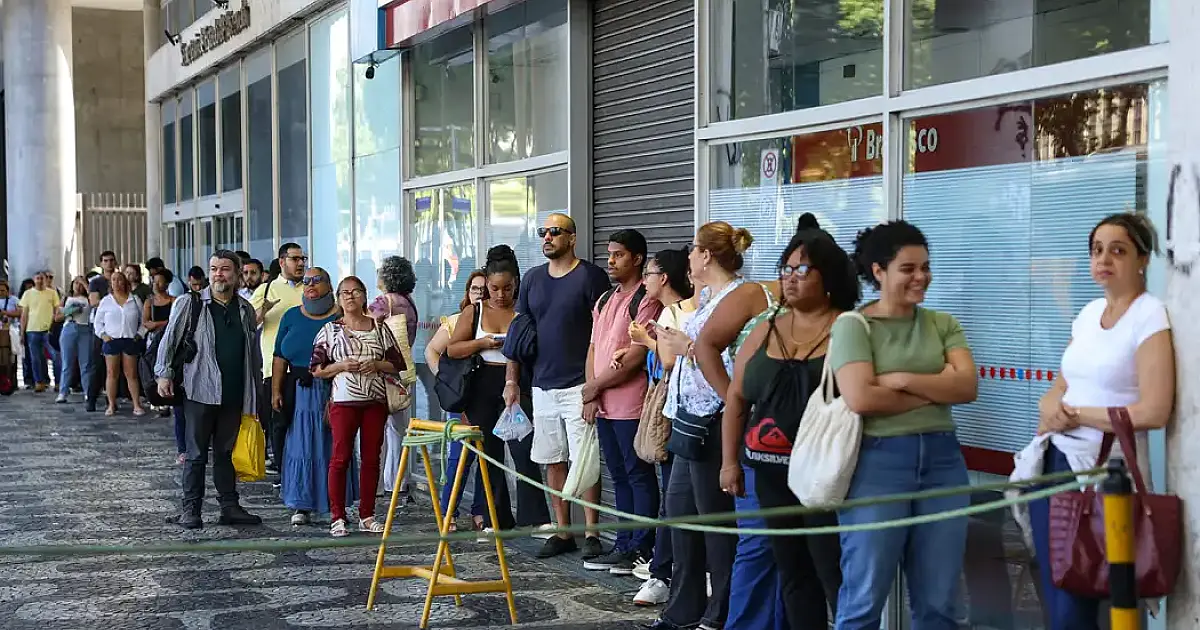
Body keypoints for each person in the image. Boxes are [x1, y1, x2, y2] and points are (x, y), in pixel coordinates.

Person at [1026, 213, 1174, 630]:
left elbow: (1154, 410)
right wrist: (1050, 404)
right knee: (1060, 594)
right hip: (1055, 464)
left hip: (1106, 475)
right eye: (1096, 250)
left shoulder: (1149, 315)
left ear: (1143, 260)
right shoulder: (1090, 313)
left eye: (1118, 250)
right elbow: (1062, 382)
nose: (1103, 259)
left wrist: (1077, 415)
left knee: (1094, 599)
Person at [830, 220, 978, 629]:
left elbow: (967, 386)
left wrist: (902, 380)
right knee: (863, 599)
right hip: (878, 464)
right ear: (878, 271)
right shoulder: (853, 326)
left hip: (944, 461)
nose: (921, 277)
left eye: (925, 267)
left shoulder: (941, 323)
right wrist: (936, 388)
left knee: (939, 603)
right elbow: (861, 397)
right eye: (909, 268)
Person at [721, 217, 856, 630]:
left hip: (826, 475)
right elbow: (737, 397)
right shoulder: (765, 327)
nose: (791, 278)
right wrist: (730, 462)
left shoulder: (849, 328)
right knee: (793, 570)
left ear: (828, 276)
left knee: (832, 570)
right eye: (786, 268)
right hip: (768, 472)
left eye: (802, 269)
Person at [647, 221, 753, 630]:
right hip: (686, 416)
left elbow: (732, 361)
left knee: (715, 525)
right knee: (681, 517)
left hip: (714, 420)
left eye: (692, 249)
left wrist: (685, 347)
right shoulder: (705, 297)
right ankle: (681, 609)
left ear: (706, 255)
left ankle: (718, 613)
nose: (688, 257)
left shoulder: (738, 298)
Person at [503, 212, 612, 560]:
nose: (547, 238)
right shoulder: (533, 279)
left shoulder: (590, 276)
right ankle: (563, 529)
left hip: (579, 385)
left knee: (586, 461)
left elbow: (603, 332)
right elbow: (519, 334)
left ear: (572, 237)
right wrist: (512, 380)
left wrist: (594, 386)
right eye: (542, 232)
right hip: (542, 384)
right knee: (553, 459)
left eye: (554, 232)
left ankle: (592, 531)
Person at [447, 246, 552, 537]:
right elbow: (453, 349)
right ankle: (495, 517)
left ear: (516, 284)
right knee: (488, 455)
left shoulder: (522, 310)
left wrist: (513, 381)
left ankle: (535, 517)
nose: (500, 294)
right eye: (494, 288)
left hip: (515, 384)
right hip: (481, 383)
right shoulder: (475, 310)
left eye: (507, 288)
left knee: (523, 450)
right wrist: (482, 344)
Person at [156, 250, 263, 530]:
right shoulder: (190, 304)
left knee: (226, 453)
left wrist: (255, 389)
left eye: (225, 269)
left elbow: (252, 353)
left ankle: (230, 506)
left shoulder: (245, 309)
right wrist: (163, 374)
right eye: (214, 268)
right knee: (196, 453)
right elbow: (169, 340)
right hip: (199, 389)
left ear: (237, 274)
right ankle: (190, 509)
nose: (218, 274)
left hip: (234, 392)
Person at [614, 247, 696, 606]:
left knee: (674, 499)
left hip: (683, 414)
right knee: (673, 496)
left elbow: (668, 363)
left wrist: (649, 340)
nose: (644, 280)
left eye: (648, 273)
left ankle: (664, 571)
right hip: (669, 407)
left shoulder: (681, 312)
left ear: (664, 278)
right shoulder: (668, 312)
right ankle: (666, 570)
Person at [581, 230, 663, 574]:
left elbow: (634, 357)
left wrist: (595, 386)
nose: (610, 261)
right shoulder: (604, 299)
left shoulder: (646, 299)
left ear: (638, 259)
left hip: (632, 404)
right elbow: (594, 349)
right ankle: (624, 544)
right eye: (609, 254)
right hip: (604, 406)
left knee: (638, 474)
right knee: (617, 474)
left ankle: (642, 547)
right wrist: (592, 391)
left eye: (618, 255)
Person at [311, 276, 405, 538]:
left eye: (355, 292)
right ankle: (337, 516)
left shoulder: (379, 327)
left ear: (365, 296)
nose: (350, 296)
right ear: (338, 298)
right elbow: (316, 369)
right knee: (340, 457)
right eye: (344, 293)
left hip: (375, 401)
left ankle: (367, 514)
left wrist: (376, 365)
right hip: (343, 401)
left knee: (372, 457)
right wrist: (341, 366)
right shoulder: (329, 331)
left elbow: (398, 363)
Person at [273, 267, 349, 526]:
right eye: (306, 281)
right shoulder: (291, 316)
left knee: (335, 446)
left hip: (335, 388)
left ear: (329, 286)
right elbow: (279, 356)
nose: (311, 285)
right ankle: (301, 503)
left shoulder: (341, 316)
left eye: (317, 280)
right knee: (301, 445)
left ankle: (336, 504)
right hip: (299, 390)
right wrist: (275, 390)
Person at [426, 270, 488, 531]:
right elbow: (432, 350)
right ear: (467, 292)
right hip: (462, 399)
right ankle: (448, 511)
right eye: (475, 289)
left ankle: (481, 512)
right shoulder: (454, 321)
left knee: (487, 457)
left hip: (488, 396)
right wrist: (446, 380)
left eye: (484, 289)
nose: (479, 294)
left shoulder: (496, 321)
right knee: (459, 457)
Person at [368, 255, 420, 500]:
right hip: (402, 370)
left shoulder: (383, 302)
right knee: (398, 430)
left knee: (377, 429)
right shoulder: (409, 303)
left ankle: (378, 484)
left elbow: (366, 328)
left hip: (382, 370)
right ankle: (399, 482)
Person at [252, 243, 306, 478]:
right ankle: (284, 472)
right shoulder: (266, 289)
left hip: (308, 366)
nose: (301, 263)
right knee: (279, 421)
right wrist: (263, 311)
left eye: (303, 258)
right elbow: (249, 325)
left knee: (305, 421)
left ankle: (303, 470)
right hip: (274, 367)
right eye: (295, 259)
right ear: (282, 262)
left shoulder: (312, 288)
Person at [95, 270, 146, 417]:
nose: (116, 283)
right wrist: (103, 335)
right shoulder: (106, 301)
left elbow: (143, 321)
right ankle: (111, 404)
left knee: (131, 374)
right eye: (113, 280)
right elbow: (98, 323)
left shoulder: (134, 300)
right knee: (112, 373)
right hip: (112, 340)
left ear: (125, 282)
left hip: (130, 339)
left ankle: (136, 404)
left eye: (119, 280)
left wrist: (139, 335)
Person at [145, 269, 182, 457]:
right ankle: (159, 400)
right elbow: (147, 323)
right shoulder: (149, 302)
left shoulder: (176, 301)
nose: (157, 285)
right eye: (154, 281)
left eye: (160, 281)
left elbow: (174, 322)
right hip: (156, 339)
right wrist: (164, 323)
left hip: (170, 336)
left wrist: (159, 323)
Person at [18, 271, 61, 393]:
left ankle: (58, 382)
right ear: (34, 280)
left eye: (42, 278)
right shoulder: (28, 294)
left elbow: (57, 309)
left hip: (49, 330)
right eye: (38, 278)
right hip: (32, 330)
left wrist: (55, 324)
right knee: (35, 358)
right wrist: (22, 332)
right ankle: (39, 382)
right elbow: (24, 314)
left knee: (56, 356)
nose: (40, 281)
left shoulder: (52, 293)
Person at [87, 252, 119, 410]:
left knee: (115, 367)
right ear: (101, 263)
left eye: (111, 260)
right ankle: (91, 398)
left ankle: (112, 399)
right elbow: (94, 302)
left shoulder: (120, 280)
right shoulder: (96, 282)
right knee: (97, 364)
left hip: (118, 327)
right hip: (101, 327)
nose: (109, 263)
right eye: (105, 261)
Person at [56, 277, 95, 404]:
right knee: (67, 363)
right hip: (70, 327)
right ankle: (63, 392)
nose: (78, 286)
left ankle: (88, 392)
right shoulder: (66, 298)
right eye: (76, 283)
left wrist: (86, 284)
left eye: (81, 284)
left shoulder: (88, 298)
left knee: (86, 363)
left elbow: (94, 301)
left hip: (85, 329)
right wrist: (70, 311)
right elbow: (57, 317)